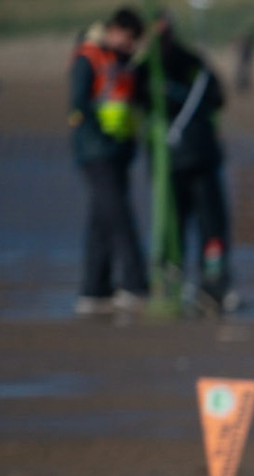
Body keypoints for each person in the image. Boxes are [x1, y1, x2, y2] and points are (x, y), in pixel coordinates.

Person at [68, 7, 149, 315]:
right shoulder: (89, 56)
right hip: (96, 152)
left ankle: (94, 289)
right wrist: (99, 137)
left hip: (120, 152)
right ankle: (135, 283)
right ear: (114, 30)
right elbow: (78, 105)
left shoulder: (124, 62)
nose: (130, 46)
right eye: (128, 39)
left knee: (101, 221)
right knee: (119, 217)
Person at [152, 15, 233, 311]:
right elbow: (217, 96)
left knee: (201, 227)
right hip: (180, 162)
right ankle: (197, 285)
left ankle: (208, 284)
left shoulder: (187, 64)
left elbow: (216, 95)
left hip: (193, 159)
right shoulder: (171, 65)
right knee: (191, 227)